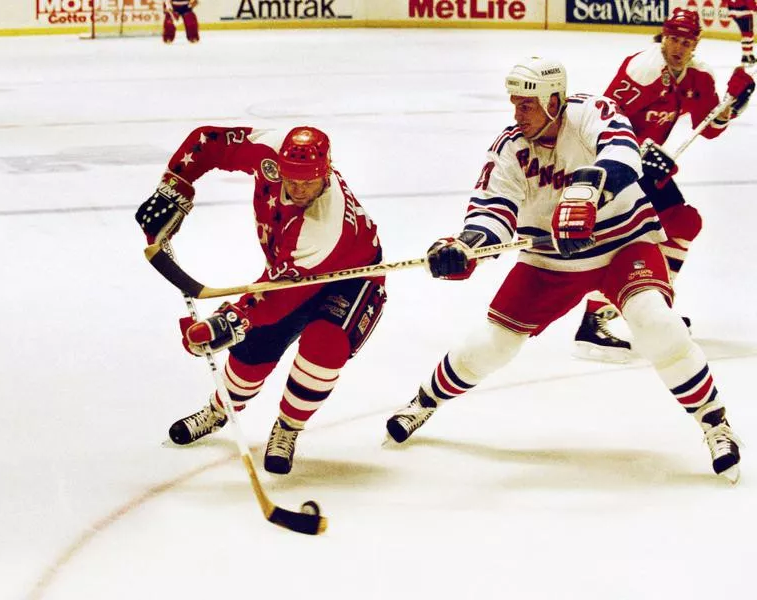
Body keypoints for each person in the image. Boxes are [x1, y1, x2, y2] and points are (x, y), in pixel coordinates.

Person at [384, 57, 742, 483]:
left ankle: (714, 422)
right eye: (514, 104)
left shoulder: (592, 111)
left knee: (656, 322)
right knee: (491, 345)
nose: (517, 115)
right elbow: (491, 212)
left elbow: (623, 153)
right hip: (550, 259)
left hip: (623, 243)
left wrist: (587, 192)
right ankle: (425, 401)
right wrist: (466, 246)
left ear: (555, 100)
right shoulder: (509, 150)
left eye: (527, 105)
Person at [135, 126, 385, 475]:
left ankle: (287, 427)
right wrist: (177, 183)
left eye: (308, 182)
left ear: (326, 172)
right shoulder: (269, 147)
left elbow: (274, 299)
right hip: (288, 275)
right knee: (251, 356)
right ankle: (220, 410)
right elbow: (209, 142)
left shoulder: (322, 227)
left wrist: (224, 323)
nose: (298, 189)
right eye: (290, 179)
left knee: (325, 346)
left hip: (351, 279)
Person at [572, 7, 755, 362]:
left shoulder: (698, 76)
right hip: (616, 165)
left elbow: (711, 129)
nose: (678, 47)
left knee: (684, 221)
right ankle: (593, 321)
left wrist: (733, 104)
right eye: (673, 39)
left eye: (686, 42)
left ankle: (655, 308)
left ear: (695, 44)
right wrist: (634, 156)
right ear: (663, 36)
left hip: (647, 168)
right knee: (627, 237)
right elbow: (602, 123)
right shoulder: (641, 70)